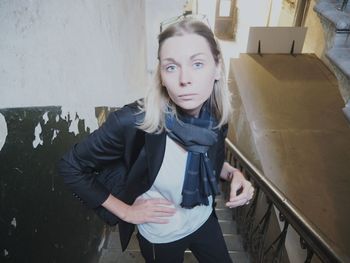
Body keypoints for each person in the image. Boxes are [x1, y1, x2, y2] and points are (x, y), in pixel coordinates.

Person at [59, 17, 254, 263]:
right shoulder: (134, 122)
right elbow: (70, 166)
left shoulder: (215, 115)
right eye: (171, 67)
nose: (185, 79)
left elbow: (208, 156)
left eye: (197, 63)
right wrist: (127, 212)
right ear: (161, 75)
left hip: (204, 218)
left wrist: (233, 174)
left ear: (217, 68)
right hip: (162, 234)